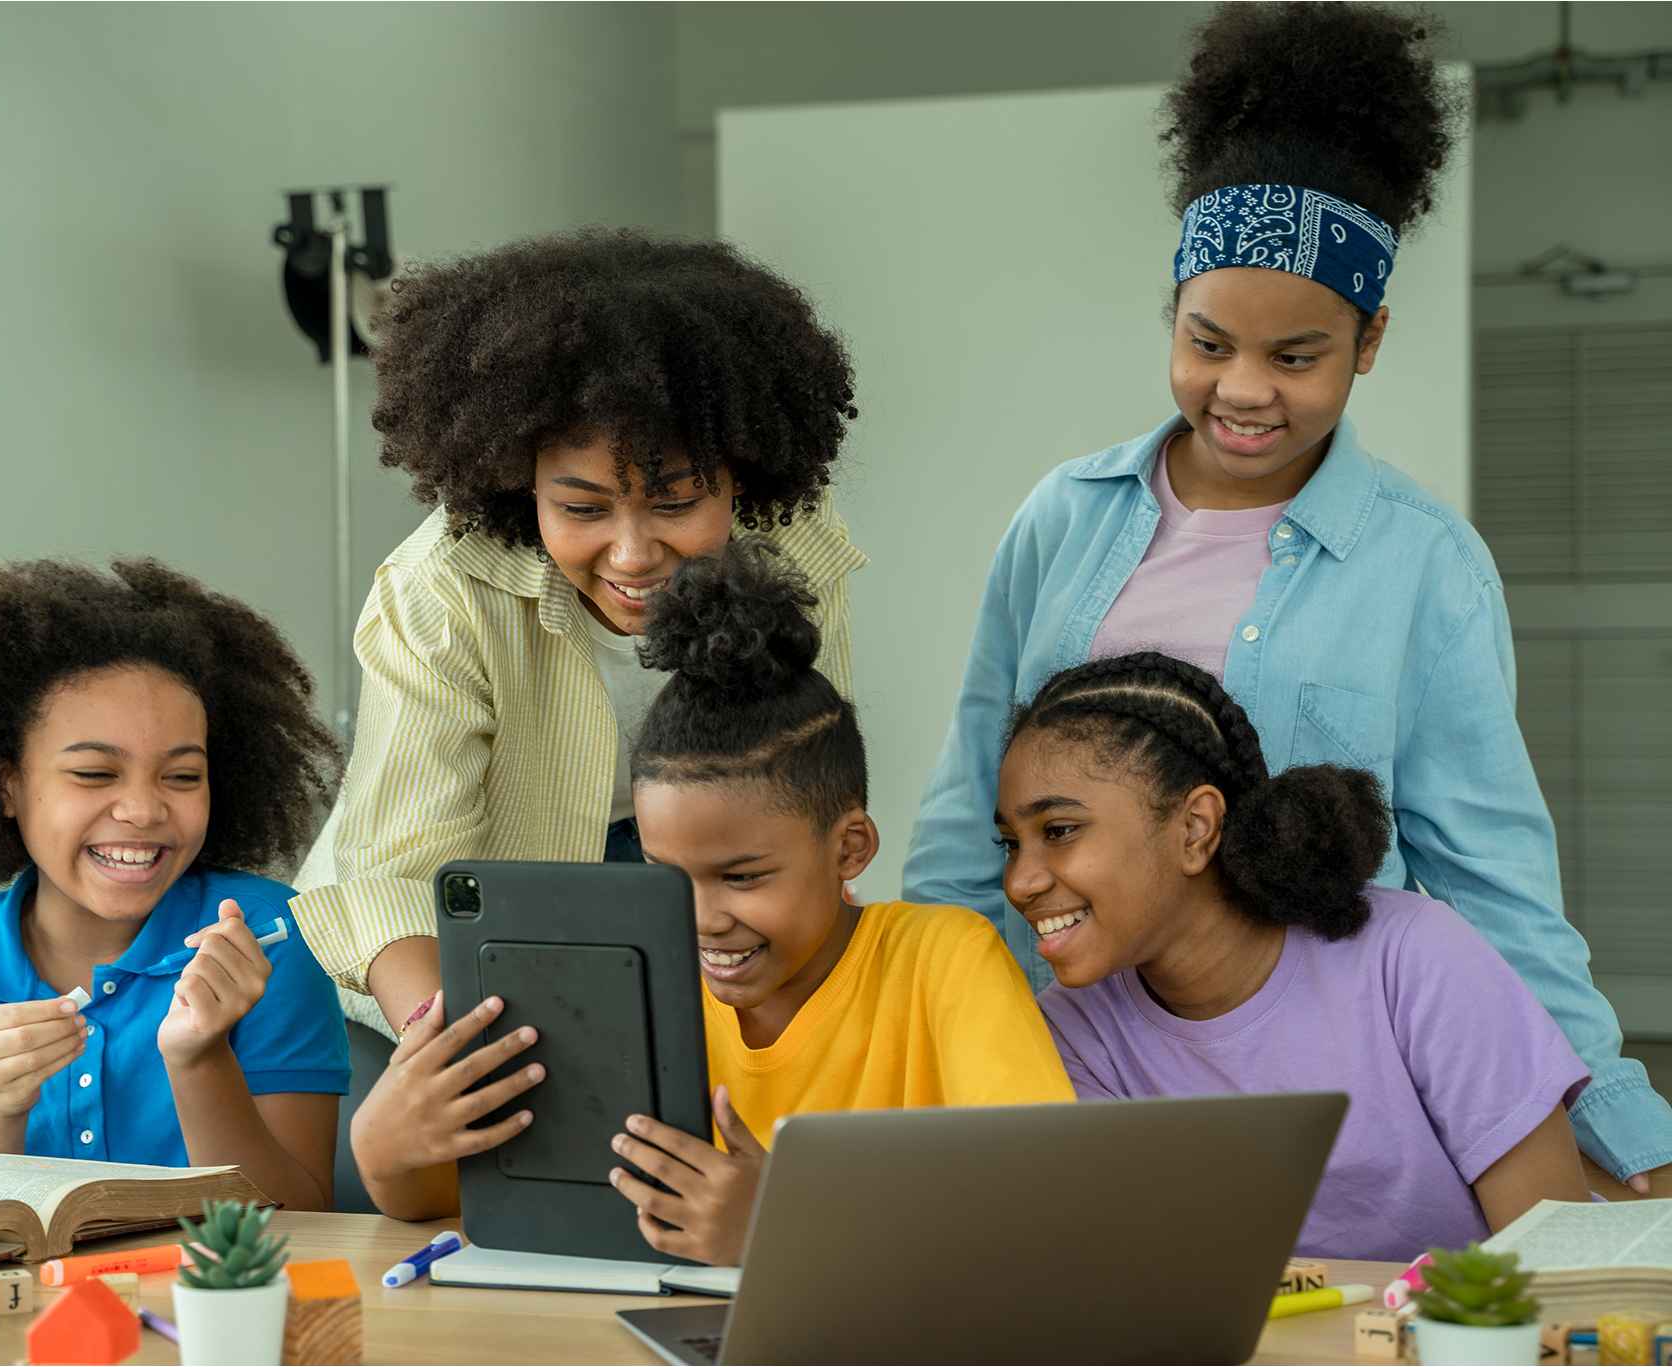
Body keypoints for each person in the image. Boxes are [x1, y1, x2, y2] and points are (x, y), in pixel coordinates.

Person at [903, 0, 1671, 1188]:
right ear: (1172, 313)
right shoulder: (1061, 519)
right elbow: (964, 829)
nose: (1242, 390)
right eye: (1207, 342)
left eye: (1295, 356)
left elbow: (1492, 888)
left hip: (1339, 1090)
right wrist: (943, 1062)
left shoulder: (1423, 564)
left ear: (1367, 342)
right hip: (1081, 1059)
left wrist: (1625, 1134)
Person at [353, 543, 1072, 1263]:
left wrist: (785, 1229)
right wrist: (383, 1149)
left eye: (744, 875)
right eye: (667, 875)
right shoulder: (624, 989)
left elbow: (1047, 1211)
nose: (699, 917)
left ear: (851, 848)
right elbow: (440, 1199)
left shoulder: (944, 960)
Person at [289, 229, 866, 1045]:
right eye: (583, 508)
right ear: (520, 484)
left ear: (743, 473)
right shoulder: (445, 589)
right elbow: (401, 878)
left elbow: (807, 793)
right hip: (449, 919)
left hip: (678, 876)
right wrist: (441, 1041)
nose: (632, 554)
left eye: (674, 503)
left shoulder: (790, 539)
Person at [1002, 652, 1590, 1260]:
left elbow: (1562, 1269)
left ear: (1196, 828)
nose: (1020, 882)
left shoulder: (1413, 956)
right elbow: (1144, 1282)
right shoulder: (1070, 1033)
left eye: (1059, 830)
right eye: (1010, 843)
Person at [0, 558, 349, 1209]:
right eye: (95, 774)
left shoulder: (266, 937)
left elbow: (301, 1218)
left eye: (183, 776)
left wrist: (200, 1060)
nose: (143, 809)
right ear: (8, 785)